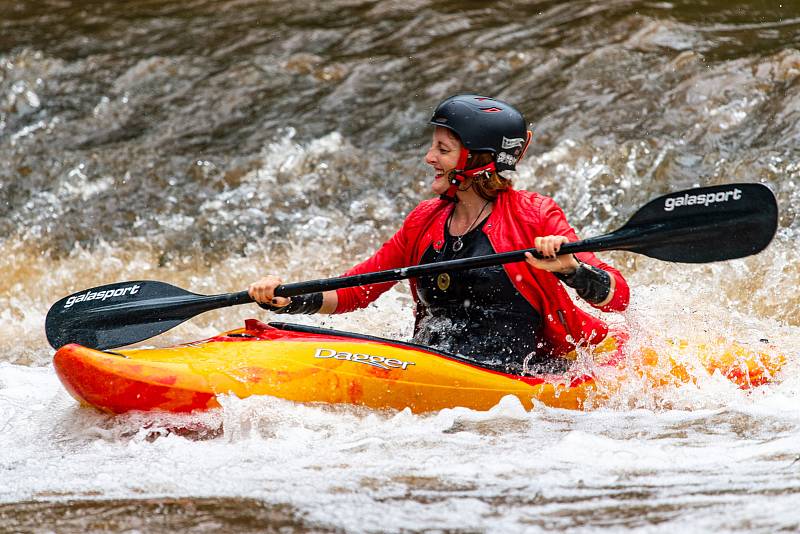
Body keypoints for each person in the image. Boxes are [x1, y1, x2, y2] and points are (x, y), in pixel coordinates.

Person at [249, 94, 629, 373]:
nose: (429, 158)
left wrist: (570, 269)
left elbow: (618, 297)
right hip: (435, 362)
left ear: (478, 161)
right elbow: (357, 289)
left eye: (443, 149)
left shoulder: (535, 216)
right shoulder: (423, 220)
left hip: (524, 374)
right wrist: (289, 300)